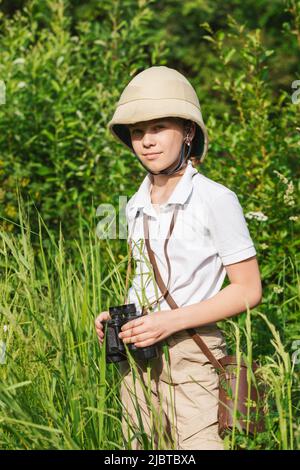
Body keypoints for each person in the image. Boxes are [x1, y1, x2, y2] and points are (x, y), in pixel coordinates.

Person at [95, 66, 262, 450]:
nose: (146, 142)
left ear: (187, 131)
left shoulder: (216, 199)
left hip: (192, 355)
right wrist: (117, 317)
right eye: (137, 132)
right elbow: (146, 277)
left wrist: (170, 322)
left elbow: (249, 290)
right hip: (136, 358)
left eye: (158, 129)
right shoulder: (133, 204)